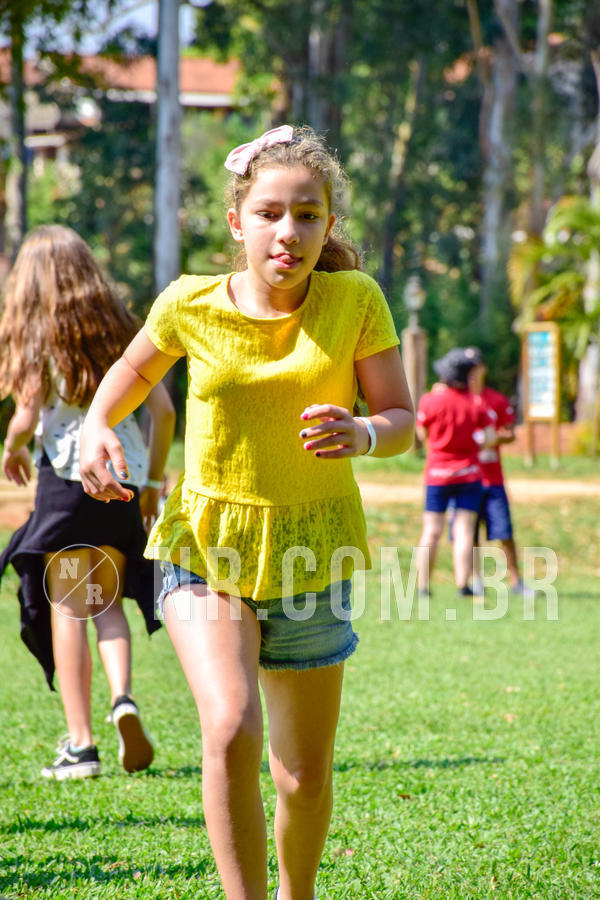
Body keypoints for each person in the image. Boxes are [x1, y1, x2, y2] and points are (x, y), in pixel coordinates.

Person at [79, 125, 414, 900]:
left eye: (307, 214)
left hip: (311, 554)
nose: (287, 232)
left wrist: (364, 431)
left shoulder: (354, 301)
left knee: (301, 778)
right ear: (238, 223)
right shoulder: (188, 303)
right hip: (205, 545)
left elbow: (401, 420)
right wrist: (98, 426)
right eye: (269, 213)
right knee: (230, 726)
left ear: (329, 224)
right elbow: (126, 378)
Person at [0, 224, 175, 780]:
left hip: (69, 481)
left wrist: (13, 444)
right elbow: (165, 412)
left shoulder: (41, 333)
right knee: (108, 603)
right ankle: (123, 698)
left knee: (69, 610)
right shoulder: (123, 329)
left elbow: (27, 415)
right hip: (123, 481)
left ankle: (81, 745)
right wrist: (151, 484)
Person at [415, 348, 495, 598]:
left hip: (437, 473)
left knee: (432, 529)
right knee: (464, 528)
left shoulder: (430, 400)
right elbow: (490, 436)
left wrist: (436, 447)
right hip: (469, 473)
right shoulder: (475, 401)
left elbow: (421, 433)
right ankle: (463, 585)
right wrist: (473, 446)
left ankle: (423, 587)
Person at [465, 347, 529, 596]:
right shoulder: (457, 399)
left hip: (492, 478)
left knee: (504, 531)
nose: (472, 373)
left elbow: (510, 432)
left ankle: (516, 581)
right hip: (466, 477)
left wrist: (493, 438)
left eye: (475, 367)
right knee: (469, 534)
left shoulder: (496, 399)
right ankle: (475, 580)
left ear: (483, 369)